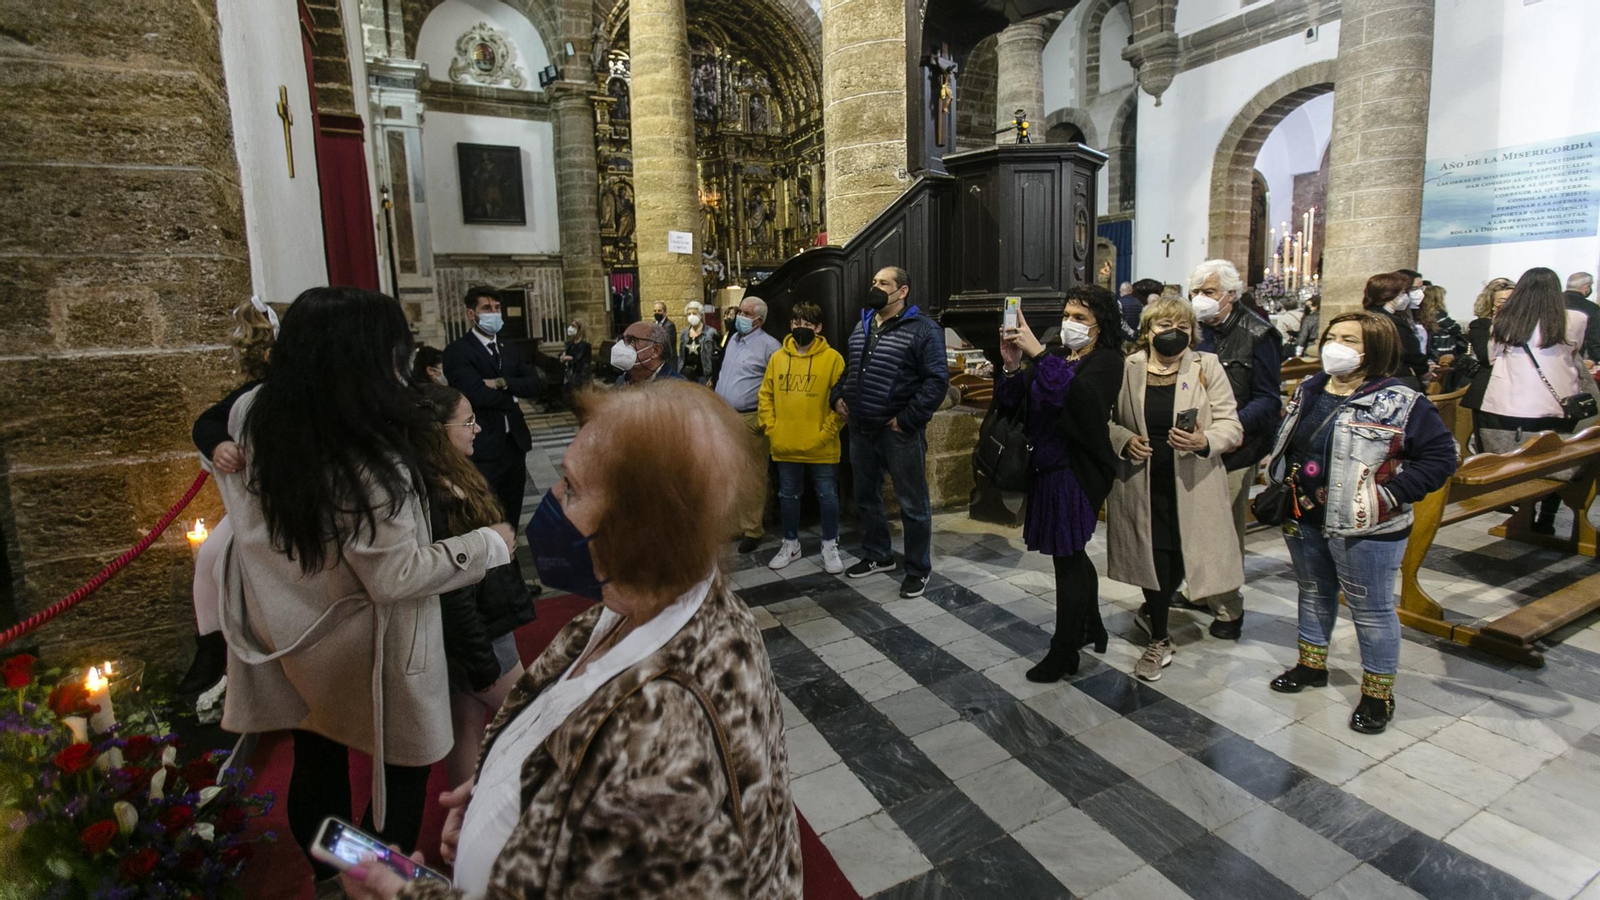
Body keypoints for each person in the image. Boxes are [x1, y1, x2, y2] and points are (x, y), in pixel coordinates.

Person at [339, 380, 802, 900]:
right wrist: (512, 786)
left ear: (643, 527)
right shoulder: (636, 609)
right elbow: (559, 721)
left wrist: (407, 895)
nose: (554, 498)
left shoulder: (662, 737)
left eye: (573, 487)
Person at [212, 288, 517, 891]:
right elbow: (395, 574)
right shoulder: (366, 448)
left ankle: (333, 876)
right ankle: (379, 882)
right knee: (398, 781)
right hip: (369, 642)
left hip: (291, 623)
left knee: (316, 761)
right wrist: (490, 544)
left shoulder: (255, 410)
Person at [1265, 312, 1457, 734]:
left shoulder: (1403, 401)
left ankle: (1377, 694)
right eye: (1331, 337)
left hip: (1367, 524)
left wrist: (1389, 495)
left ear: (1374, 348)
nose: (1334, 345)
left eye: (1348, 339)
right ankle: (1311, 665)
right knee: (1314, 593)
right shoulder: (1311, 388)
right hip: (1305, 511)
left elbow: (1443, 458)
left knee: (1371, 610)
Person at [1106, 297, 1243, 681]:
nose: (1174, 333)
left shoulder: (1206, 366)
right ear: (1148, 330)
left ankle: (1159, 609)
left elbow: (1231, 424)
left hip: (1192, 481)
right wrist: (1124, 438)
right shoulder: (1127, 367)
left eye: (1183, 327)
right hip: (1142, 479)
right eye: (1165, 325)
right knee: (1153, 553)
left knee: (1181, 552)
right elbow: (1107, 419)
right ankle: (1161, 636)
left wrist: (1205, 440)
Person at [995, 286, 1124, 682]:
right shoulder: (1062, 355)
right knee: (1070, 555)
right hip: (1047, 467)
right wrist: (1013, 365)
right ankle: (1090, 625)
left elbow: (1080, 401)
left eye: (1080, 318)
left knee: (1067, 559)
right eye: (1067, 315)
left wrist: (1038, 353)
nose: (1070, 323)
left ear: (1101, 326)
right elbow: (1012, 402)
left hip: (1076, 469)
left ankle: (1064, 651)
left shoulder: (1106, 361)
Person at [415, 384, 533, 787]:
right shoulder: (440, 492)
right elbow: (453, 590)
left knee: (466, 727)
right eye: (467, 422)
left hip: (477, 627)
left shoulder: (449, 474)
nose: (477, 429)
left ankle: (465, 821)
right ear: (438, 431)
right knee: (534, 719)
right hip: (481, 631)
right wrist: (482, 662)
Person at [178, 296, 278, 698]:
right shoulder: (251, 394)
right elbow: (207, 422)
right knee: (209, 559)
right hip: (256, 505)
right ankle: (211, 650)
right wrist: (219, 443)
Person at [832, 267, 950, 598]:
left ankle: (917, 569)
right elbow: (851, 368)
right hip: (861, 428)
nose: (876, 287)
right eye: (874, 282)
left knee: (912, 503)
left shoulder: (924, 329)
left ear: (902, 292)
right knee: (866, 497)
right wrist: (838, 395)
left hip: (898, 432)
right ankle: (879, 555)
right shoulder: (864, 324)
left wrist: (907, 419)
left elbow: (937, 381)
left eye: (884, 283)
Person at [1188, 259, 1281, 639]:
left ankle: (1228, 609)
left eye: (1208, 293)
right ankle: (1198, 592)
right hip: (1193, 444)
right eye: (1195, 293)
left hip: (1235, 449)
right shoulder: (1196, 331)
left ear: (1231, 294)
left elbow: (1267, 398)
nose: (1199, 300)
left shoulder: (1258, 334)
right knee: (1195, 527)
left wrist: (1228, 428)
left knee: (1223, 531)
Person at [1480, 267, 1590, 533]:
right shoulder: (1574, 319)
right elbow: (1574, 352)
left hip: (1510, 405)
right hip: (1556, 404)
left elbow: (1493, 357)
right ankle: (1546, 517)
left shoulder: (1505, 320)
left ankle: (1522, 512)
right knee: (1554, 462)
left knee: (1516, 461)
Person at [443, 287, 543, 533]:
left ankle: (509, 553)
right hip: (483, 444)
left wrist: (502, 383)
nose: (494, 313)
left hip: (514, 443)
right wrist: (513, 397)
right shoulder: (458, 351)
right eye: (486, 308)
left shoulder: (508, 348)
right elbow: (473, 394)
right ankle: (493, 561)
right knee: (486, 512)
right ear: (471, 313)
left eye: (497, 308)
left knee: (512, 511)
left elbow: (535, 384)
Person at [759, 302, 847, 573]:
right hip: (785, 444)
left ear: (818, 328)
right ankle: (790, 543)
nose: (800, 329)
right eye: (796, 323)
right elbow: (766, 397)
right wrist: (772, 430)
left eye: (807, 325)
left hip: (821, 445)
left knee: (827, 496)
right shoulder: (777, 358)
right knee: (788, 495)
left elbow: (842, 404)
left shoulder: (833, 358)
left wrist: (826, 433)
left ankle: (830, 544)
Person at [715, 296, 782, 552]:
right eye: (739, 311)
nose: (738, 316)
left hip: (750, 417)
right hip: (725, 415)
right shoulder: (733, 338)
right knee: (728, 473)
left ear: (758, 320)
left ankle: (752, 529)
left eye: (745, 312)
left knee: (752, 475)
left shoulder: (769, 346)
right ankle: (733, 524)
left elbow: (775, 385)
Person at [1361, 272, 1429, 387]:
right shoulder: (1392, 323)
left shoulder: (1364, 317)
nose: (1406, 297)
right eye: (1403, 293)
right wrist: (1424, 370)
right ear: (1389, 295)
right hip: (1395, 378)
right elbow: (1411, 354)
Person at [611, 320, 686, 385]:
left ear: (656, 351)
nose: (622, 346)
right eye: (622, 339)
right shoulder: (621, 381)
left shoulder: (678, 386)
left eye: (631, 340)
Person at [1420, 284, 1465, 362]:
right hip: (1443, 349)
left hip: (1432, 350)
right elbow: (1453, 328)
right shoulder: (1439, 314)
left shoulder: (1424, 313)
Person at [1563, 271, 1600, 362]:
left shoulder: (1551, 303)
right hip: (1576, 357)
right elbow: (1594, 339)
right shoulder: (1591, 308)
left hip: (1548, 354)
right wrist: (1595, 360)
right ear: (1586, 287)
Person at [679, 299, 717, 385]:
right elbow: (681, 356)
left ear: (700, 315)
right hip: (686, 375)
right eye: (689, 314)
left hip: (703, 376)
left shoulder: (710, 332)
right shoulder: (684, 333)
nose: (691, 316)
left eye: (694, 313)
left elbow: (714, 358)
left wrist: (712, 377)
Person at [559, 319, 592, 399]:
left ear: (579, 329)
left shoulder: (585, 345)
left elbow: (578, 358)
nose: (570, 328)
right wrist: (562, 356)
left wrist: (568, 358)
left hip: (581, 375)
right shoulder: (570, 343)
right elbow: (565, 353)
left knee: (581, 398)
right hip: (570, 373)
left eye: (573, 326)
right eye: (570, 325)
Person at [651, 299, 679, 367]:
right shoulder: (653, 324)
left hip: (668, 360)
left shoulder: (669, 325)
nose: (657, 313)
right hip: (657, 360)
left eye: (659, 311)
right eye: (655, 311)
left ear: (665, 312)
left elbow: (665, 342)